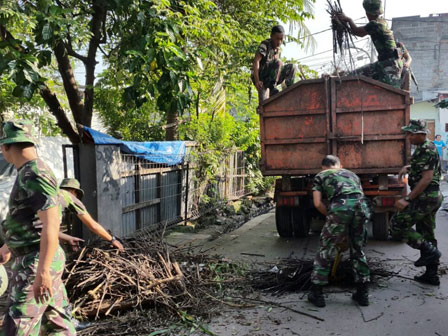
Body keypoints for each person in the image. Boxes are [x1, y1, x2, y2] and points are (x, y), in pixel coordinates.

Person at [0, 121, 75, 335]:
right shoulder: (29, 172)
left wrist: (42, 272)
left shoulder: (35, 174)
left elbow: (51, 224)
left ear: (6, 147)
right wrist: (7, 248)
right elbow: (28, 220)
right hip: (35, 258)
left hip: (35, 262)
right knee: (57, 322)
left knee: (18, 326)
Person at [308, 155, 371, 308]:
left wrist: (331, 217)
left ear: (323, 167)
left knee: (326, 249)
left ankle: (317, 293)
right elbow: (358, 196)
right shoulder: (352, 174)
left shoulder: (321, 175)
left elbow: (317, 203)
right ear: (339, 165)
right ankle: (362, 294)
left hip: (340, 208)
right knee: (358, 249)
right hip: (362, 209)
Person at [391, 119, 443, 285]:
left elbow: (427, 178)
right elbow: (426, 169)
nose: (408, 137)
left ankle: (430, 252)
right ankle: (431, 274)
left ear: (421, 134)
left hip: (425, 197)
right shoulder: (423, 148)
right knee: (427, 233)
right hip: (431, 197)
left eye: (411, 134)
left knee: (397, 226)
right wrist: (410, 168)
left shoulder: (427, 149)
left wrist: (407, 198)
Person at [337, 0, 402, 88]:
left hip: (388, 65)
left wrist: (349, 20)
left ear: (368, 13)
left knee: (352, 76)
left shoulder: (375, 24)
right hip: (389, 63)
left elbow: (357, 32)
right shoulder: (382, 21)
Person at [57, 178, 124, 252]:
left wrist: (68, 238)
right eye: (77, 195)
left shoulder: (51, 195)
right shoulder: (68, 196)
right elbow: (93, 226)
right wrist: (112, 240)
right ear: (74, 191)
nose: (76, 197)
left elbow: (45, 229)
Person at [252, 25, 297, 103]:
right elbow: (256, 61)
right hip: (262, 77)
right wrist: (257, 81)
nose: (279, 42)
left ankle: (289, 90)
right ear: (271, 36)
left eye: (281, 39)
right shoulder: (265, 45)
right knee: (278, 62)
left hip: (272, 77)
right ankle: (272, 89)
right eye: (277, 39)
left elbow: (279, 68)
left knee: (292, 67)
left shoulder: (277, 50)